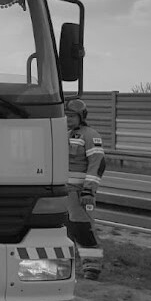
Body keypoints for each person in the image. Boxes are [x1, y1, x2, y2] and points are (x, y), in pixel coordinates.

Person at [65, 98, 105, 280]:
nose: (68, 119)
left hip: (80, 193)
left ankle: (92, 267)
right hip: (64, 192)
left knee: (82, 229)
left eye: (72, 116)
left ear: (82, 116)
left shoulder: (90, 135)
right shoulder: (65, 134)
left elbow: (97, 164)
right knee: (65, 230)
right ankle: (66, 266)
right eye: (66, 115)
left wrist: (89, 190)